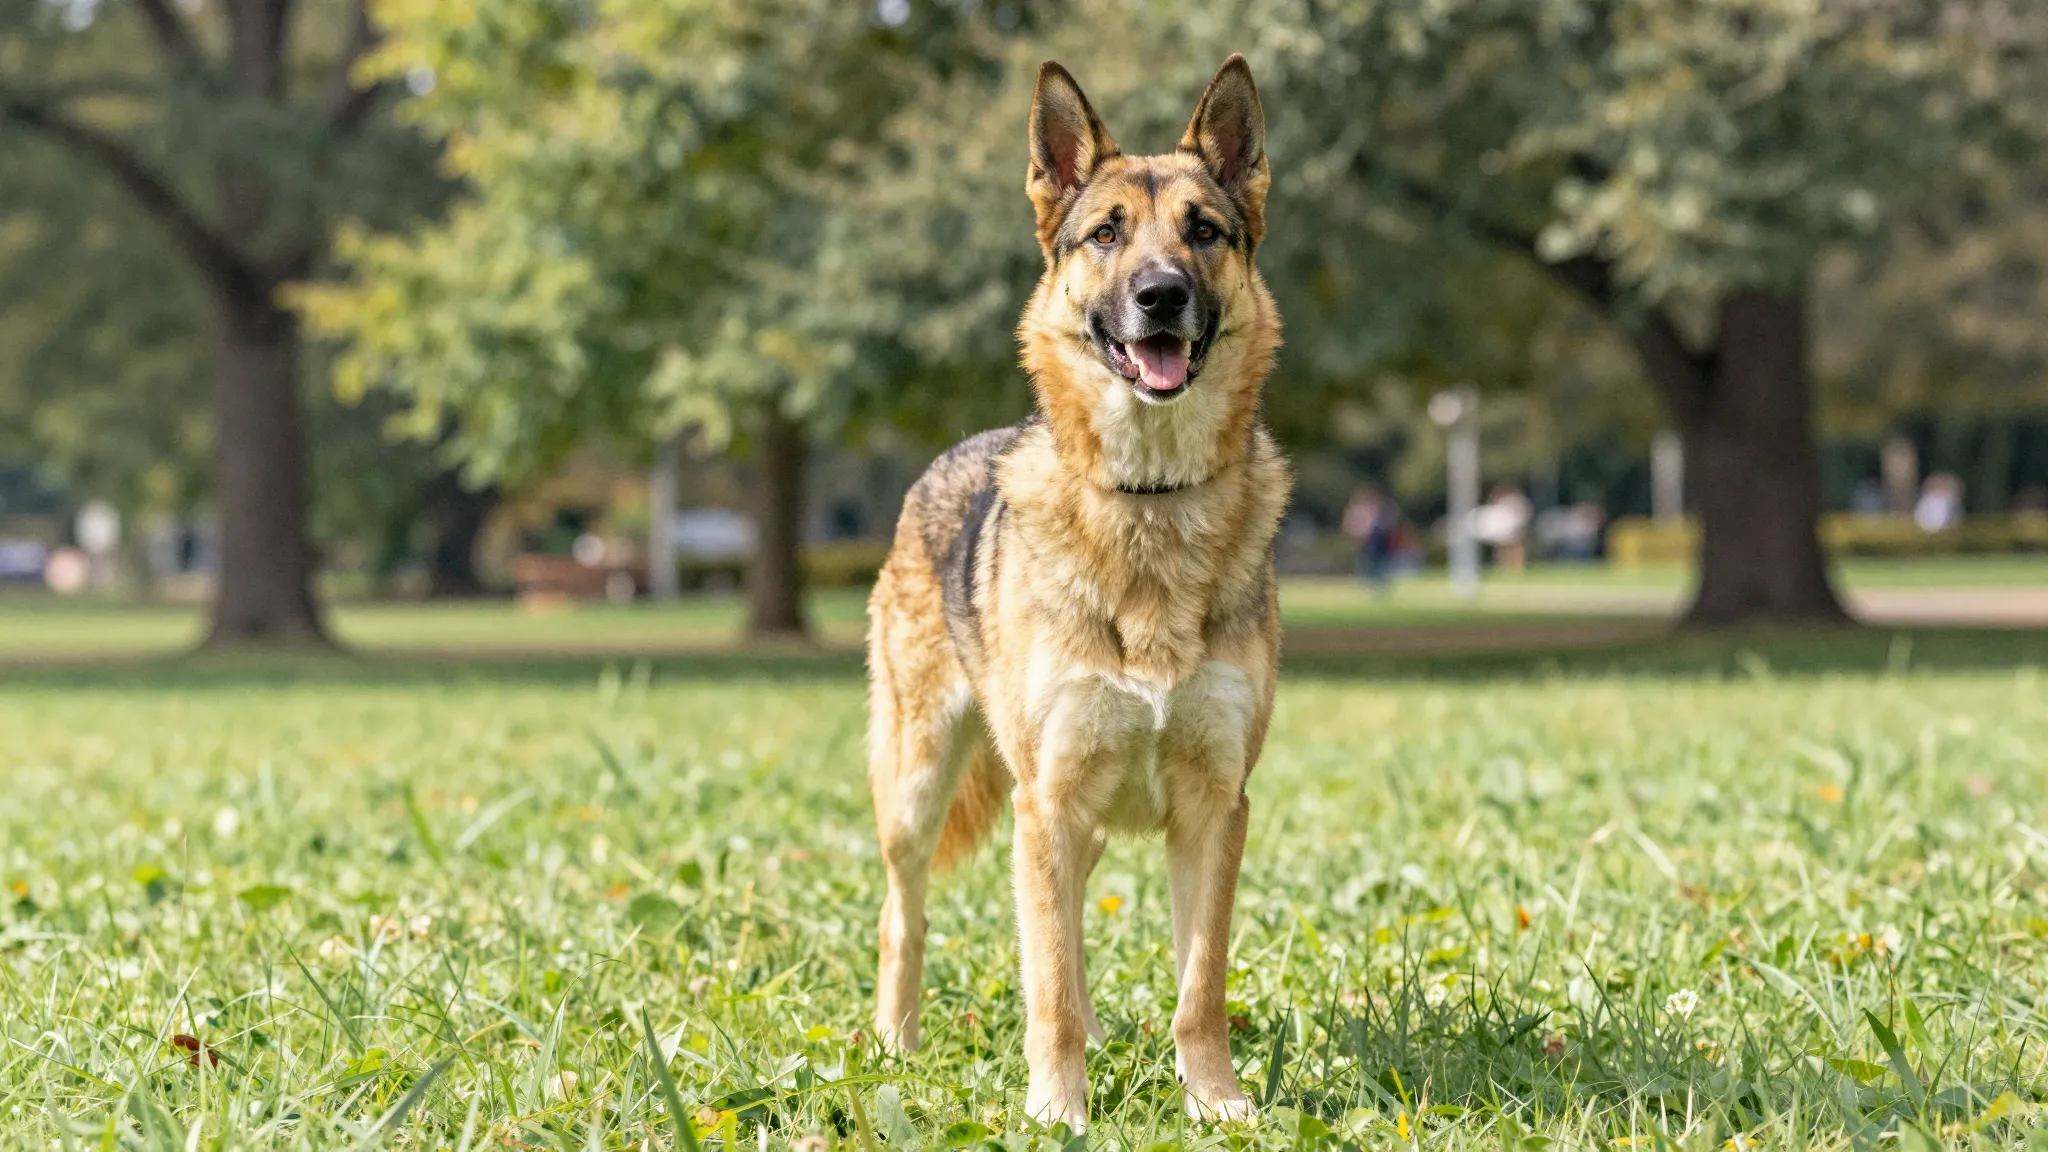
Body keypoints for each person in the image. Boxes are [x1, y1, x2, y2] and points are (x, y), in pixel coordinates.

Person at [1342, 484, 1398, 590]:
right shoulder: (1361, 510)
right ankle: (1371, 584)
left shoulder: (1377, 509)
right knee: (1367, 563)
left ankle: (1378, 584)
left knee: (1377, 563)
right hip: (1366, 542)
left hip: (1377, 542)